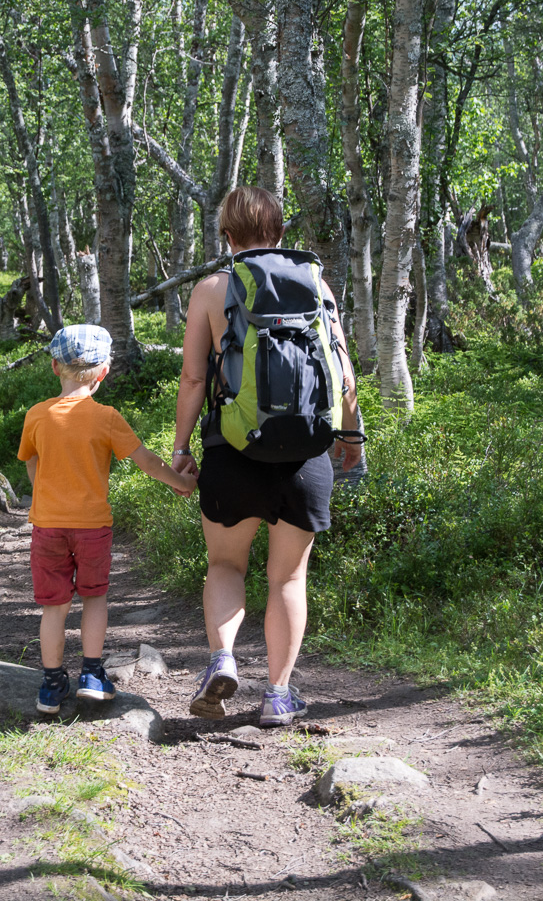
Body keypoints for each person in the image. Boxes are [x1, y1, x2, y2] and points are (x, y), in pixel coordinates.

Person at [170, 186, 365, 727]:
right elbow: (343, 372)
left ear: (227, 237)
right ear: (279, 233)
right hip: (307, 454)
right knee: (288, 579)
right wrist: (350, 439)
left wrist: (181, 448)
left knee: (226, 563)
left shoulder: (213, 288)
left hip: (233, 452)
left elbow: (192, 378)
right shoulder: (316, 283)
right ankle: (278, 694)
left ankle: (223, 659)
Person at [19, 324, 198, 715]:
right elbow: (147, 461)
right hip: (92, 527)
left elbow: (32, 462)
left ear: (54, 367)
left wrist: (45, 495)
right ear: (103, 373)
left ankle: (50, 686)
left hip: (47, 525)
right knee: (94, 596)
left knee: (55, 607)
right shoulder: (106, 417)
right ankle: (92, 675)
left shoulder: (36, 415)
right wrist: (180, 482)